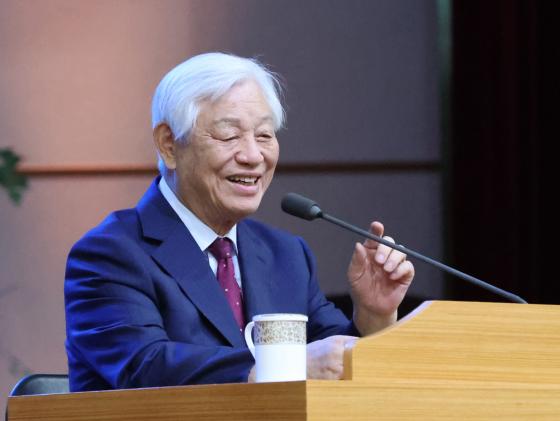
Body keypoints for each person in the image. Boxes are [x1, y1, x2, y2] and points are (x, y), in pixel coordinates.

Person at [64, 52, 415, 391]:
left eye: (264, 135)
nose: (252, 155)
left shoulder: (285, 255)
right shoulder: (110, 255)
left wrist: (373, 315)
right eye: (229, 135)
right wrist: (287, 367)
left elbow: (330, 361)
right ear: (169, 145)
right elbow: (145, 367)